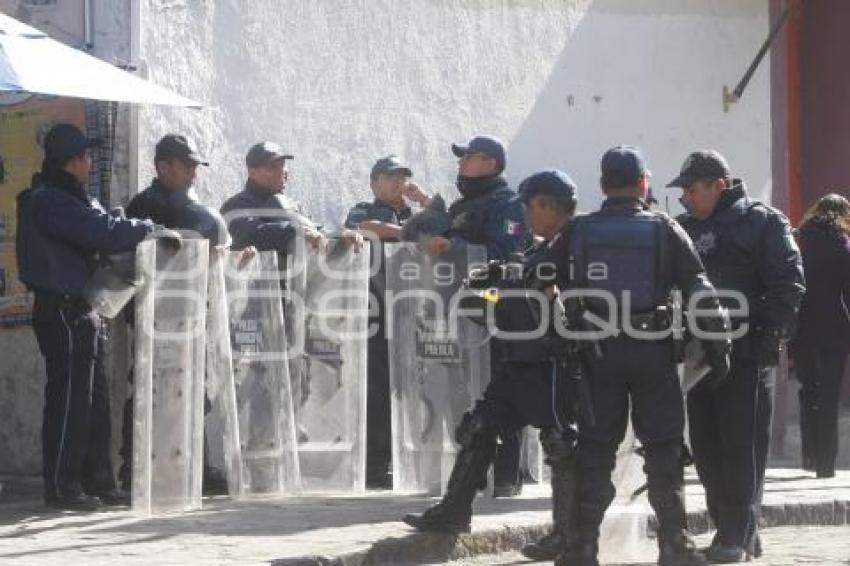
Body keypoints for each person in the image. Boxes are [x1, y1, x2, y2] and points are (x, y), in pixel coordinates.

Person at [558, 146, 731, 566]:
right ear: (643, 184)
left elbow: (547, 278)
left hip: (597, 352)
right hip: (652, 351)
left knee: (596, 448)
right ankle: (674, 543)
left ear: (602, 185)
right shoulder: (664, 228)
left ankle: (582, 546)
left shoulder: (578, 230)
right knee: (664, 448)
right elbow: (700, 290)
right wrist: (718, 345)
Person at [403, 169, 581, 555]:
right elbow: (502, 295)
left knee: (560, 444)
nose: (526, 215)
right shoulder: (534, 251)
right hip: (518, 362)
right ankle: (454, 512)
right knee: (479, 427)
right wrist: (489, 297)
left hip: (555, 363)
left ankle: (569, 535)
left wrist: (541, 295)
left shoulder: (578, 246)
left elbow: (575, 306)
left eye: (531, 206)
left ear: (549, 206)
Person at [667, 150, 805, 563]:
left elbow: (789, 284)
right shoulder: (684, 228)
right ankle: (736, 530)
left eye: (692, 189)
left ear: (719, 185)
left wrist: (774, 335)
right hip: (698, 356)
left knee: (740, 447)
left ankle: (735, 535)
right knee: (707, 450)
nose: (686, 198)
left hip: (745, 352)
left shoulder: (762, 222)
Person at [15, 123, 159, 509]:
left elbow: (98, 223)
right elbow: (101, 232)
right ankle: (62, 486)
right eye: (85, 157)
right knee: (69, 402)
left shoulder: (68, 197)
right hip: (63, 310)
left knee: (95, 403)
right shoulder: (48, 200)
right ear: (73, 161)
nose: (90, 163)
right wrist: (146, 228)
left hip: (84, 310)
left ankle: (100, 481)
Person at [121, 133, 232, 494]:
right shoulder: (144, 206)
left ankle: (193, 466)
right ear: (163, 166)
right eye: (186, 166)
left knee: (193, 389)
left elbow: (214, 235)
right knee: (150, 389)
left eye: (195, 167)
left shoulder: (191, 205)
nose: (193, 174)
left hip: (191, 312)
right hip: (155, 314)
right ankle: (135, 467)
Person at [422, 134, 530, 497]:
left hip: (495, 317)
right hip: (458, 315)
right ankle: (469, 473)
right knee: (461, 396)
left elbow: (506, 252)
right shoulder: (460, 208)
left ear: (492, 163)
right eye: (462, 157)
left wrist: (456, 246)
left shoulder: (509, 204)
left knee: (504, 392)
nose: (461, 162)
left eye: (469, 157)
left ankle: (505, 476)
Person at [344, 155, 430, 489]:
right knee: (378, 390)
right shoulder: (364, 209)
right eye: (391, 177)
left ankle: (410, 460)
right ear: (374, 182)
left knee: (414, 390)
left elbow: (448, 227)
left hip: (414, 312)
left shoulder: (416, 214)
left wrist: (423, 201)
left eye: (404, 177)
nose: (399, 183)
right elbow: (364, 229)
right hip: (376, 311)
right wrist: (410, 232)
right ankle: (377, 465)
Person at [791, 193, 850, 479]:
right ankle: (826, 465)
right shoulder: (844, 245)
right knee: (828, 395)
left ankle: (809, 456)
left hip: (802, 326)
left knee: (808, 390)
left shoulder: (798, 240)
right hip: (834, 329)